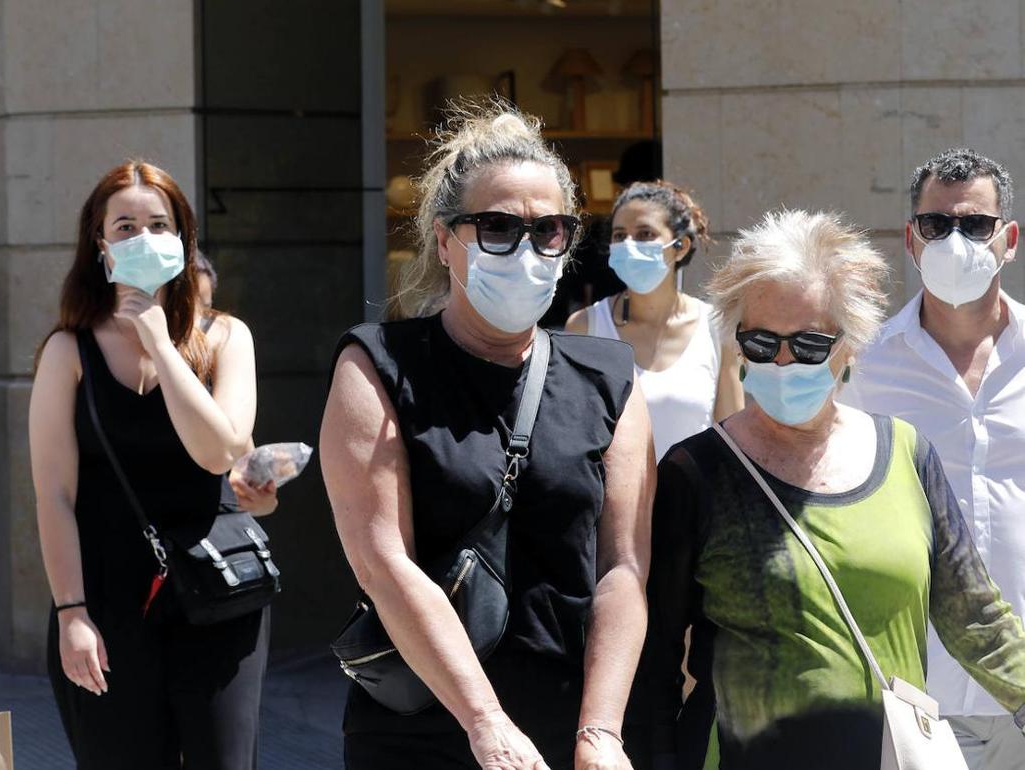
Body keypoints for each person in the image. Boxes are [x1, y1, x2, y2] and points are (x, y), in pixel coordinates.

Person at [626, 209, 1025, 770]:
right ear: (737, 347)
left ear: (851, 346)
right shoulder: (696, 472)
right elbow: (656, 652)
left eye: (809, 345)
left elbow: (976, 619)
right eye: (762, 343)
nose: (784, 363)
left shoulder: (908, 454)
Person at [322, 102, 655, 770]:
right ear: (445, 241)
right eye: (498, 227)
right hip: (426, 726)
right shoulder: (378, 365)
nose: (526, 249)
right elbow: (383, 562)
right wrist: (485, 721)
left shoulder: (608, 376)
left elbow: (623, 568)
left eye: (549, 230)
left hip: (573, 728)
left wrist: (601, 731)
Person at [29, 160, 266, 769]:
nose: (143, 240)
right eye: (126, 226)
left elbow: (221, 450)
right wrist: (71, 613)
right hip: (107, 601)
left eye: (159, 225)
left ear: (184, 242)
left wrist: (161, 344)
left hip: (216, 592)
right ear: (100, 246)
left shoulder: (226, 338)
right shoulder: (68, 351)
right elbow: (54, 493)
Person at [839, 148, 1025, 769]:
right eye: (937, 225)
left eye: (974, 226)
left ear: (1009, 241)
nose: (955, 240)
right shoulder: (864, 365)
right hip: (922, 695)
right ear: (913, 242)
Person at [566, 181, 743, 458]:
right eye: (619, 235)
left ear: (680, 246)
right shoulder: (584, 327)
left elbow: (733, 443)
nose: (629, 245)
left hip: (693, 500)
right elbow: (575, 437)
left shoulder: (716, 327)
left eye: (645, 233)